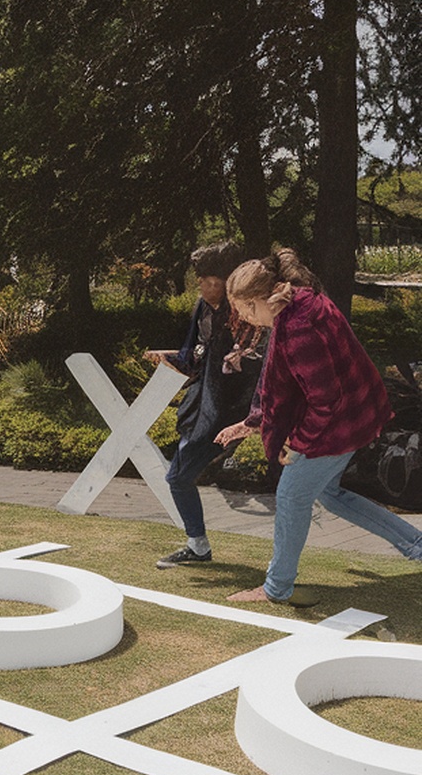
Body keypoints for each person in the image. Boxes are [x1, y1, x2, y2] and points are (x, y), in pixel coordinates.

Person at [213, 248, 422, 603]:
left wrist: (298, 445)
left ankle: (276, 588)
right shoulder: (301, 301)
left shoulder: (298, 328)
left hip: (337, 424)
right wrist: (250, 424)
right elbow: (278, 381)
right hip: (355, 415)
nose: (245, 318)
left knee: (291, 497)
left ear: (258, 300)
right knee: (331, 494)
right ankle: (417, 544)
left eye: (244, 309)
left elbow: (325, 399)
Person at [145, 242, 265, 569]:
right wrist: (167, 359)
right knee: (179, 477)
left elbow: (251, 370)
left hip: (231, 413)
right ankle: (197, 545)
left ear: (225, 281)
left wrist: (249, 419)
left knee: (178, 477)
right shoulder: (203, 306)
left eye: (206, 277)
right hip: (202, 407)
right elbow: (193, 356)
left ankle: (199, 546)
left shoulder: (245, 315)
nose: (199, 284)